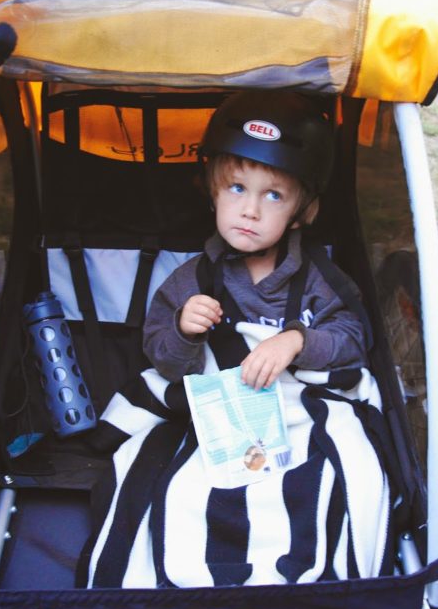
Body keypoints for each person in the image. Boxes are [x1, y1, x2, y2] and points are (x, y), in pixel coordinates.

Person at [142, 91, 369, 389]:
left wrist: (296, 340)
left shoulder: (320, 281)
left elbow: (354, 342)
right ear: (213, 194)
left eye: (273, 195)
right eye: (237, 188)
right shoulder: (191, 282)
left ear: (300, 214)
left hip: (299, 406)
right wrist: (183, 330)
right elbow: (164, 363)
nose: (250, 211)